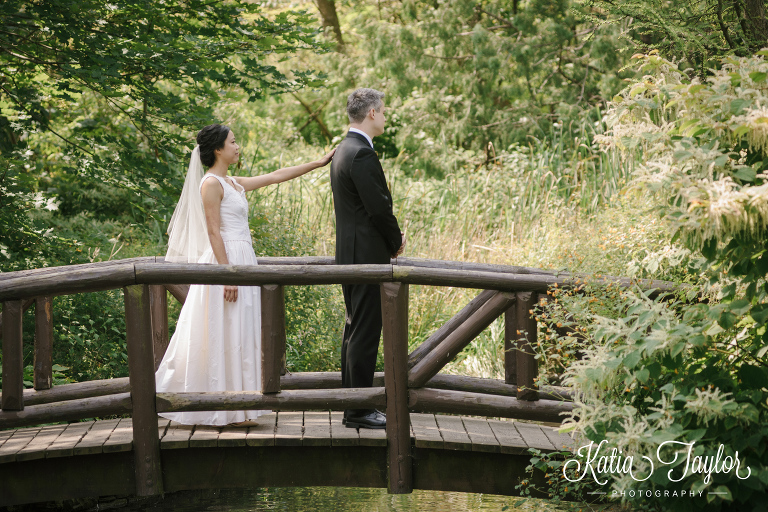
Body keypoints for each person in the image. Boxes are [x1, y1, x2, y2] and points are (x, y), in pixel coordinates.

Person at [156, 124, 334, 426]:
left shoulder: (233, 183)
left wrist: (317, 163)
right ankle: (221, 408)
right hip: (226, 262)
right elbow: (213, 231)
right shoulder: (211, 184)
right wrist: (227, 275)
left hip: (244, 260)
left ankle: (239, 407)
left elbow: (277, 175)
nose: (238, 147)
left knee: (239, 331)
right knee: (222, 332)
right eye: (233, 142)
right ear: (218, 149)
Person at [330, 88, 406, 430]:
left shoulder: (342, 150)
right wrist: (395, 242)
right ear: (372, 113)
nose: (386, 116)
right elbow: (378, 207)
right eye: (384, 111)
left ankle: (352, 402)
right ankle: (358, 410)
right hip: (366, 256)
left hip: (349, 253)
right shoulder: (360, 154)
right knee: (364, 330)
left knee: (353, 327)